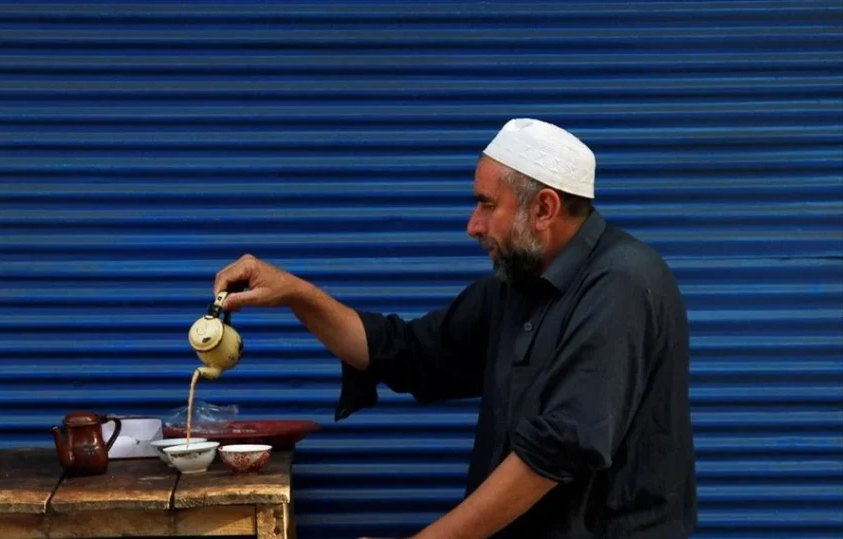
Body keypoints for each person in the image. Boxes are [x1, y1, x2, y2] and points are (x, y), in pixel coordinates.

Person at [212, 118, 698, 538]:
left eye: (487, 204)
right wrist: (295, 293)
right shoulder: (516, 287)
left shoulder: (622, 284)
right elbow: (403, 351)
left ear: (544, 209)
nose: (473, 225)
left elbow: (558, 449)